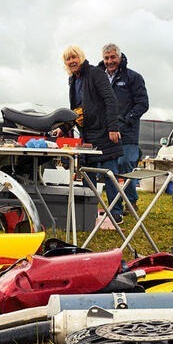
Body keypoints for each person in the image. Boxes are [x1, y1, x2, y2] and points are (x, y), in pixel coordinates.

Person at [60, 45, 122, 222]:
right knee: (87, 174)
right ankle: (89, 213)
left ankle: (116, 213)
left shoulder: (96, 74)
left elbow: (110, 99)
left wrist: (113, 127)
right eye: (68, 59)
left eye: (74, 57)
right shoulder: (73, 80)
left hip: (104, 131)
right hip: (86, 133)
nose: (72, 61)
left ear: (81, 57)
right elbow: (76, 110)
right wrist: (64, 128)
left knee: (109, 173)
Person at [99, 43, 148, 214]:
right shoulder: (100, 78)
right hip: (106, 133)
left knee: (126, 164)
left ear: (119, 58)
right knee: (110, 170)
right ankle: (115, 206)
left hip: (127, 133)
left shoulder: (133, 78)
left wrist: (127, 121)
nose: (109, 61)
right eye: (106, 58)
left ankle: (131, 201)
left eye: (113, 57)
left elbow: (143, 103)